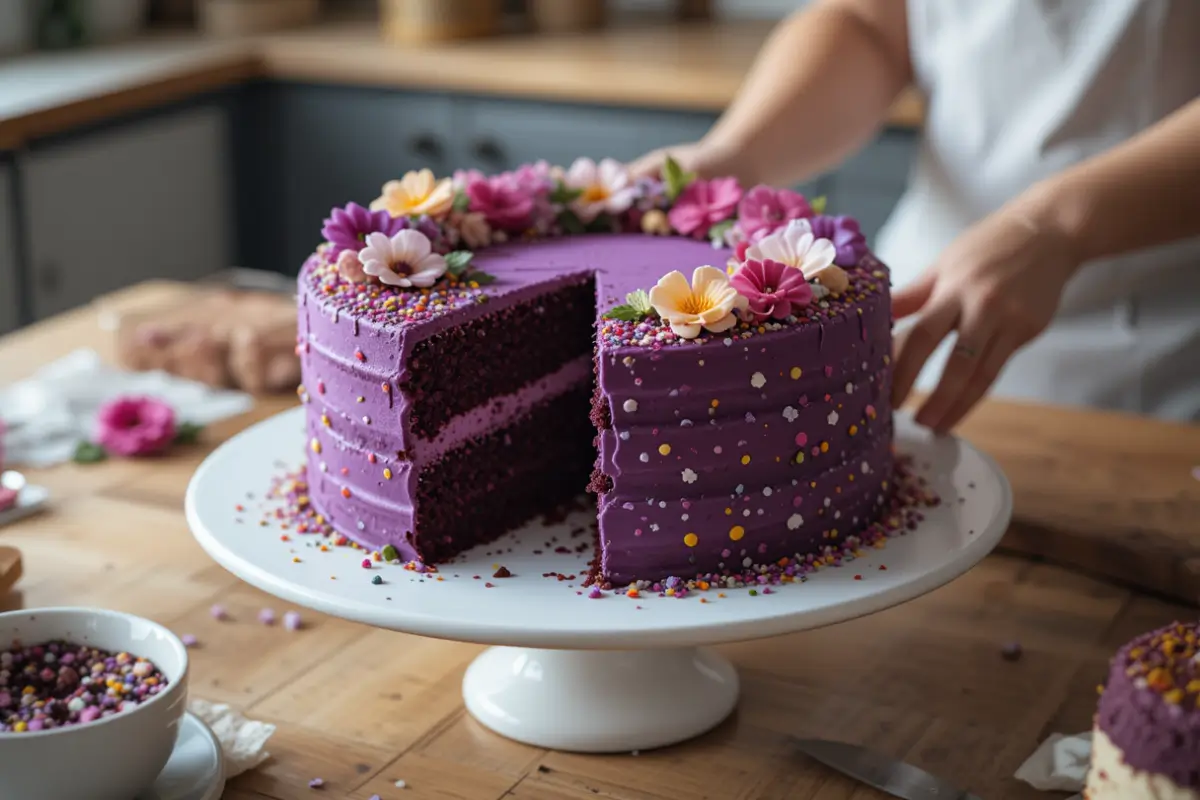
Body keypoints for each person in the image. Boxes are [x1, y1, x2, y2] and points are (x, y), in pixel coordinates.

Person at [630, 0, 1200, 430]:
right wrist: (738, 154)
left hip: (1156, 376)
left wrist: (1056, 226)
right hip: (915, 315)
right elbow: (872, 23)